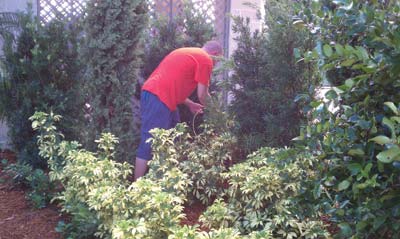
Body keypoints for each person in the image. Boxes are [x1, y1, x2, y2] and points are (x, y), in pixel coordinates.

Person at [134, 40, 223, 180]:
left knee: (174, 139)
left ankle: (167, 181)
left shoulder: (189, 52)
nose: (215, 65)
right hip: (158, 98)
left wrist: (190, 104)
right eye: (217, 61)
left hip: (160, 97)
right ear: (216, 55)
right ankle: (137, 189)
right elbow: (202, 95)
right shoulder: (206, 59)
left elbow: (172, 84)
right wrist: (217, 112)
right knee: (150, 142)